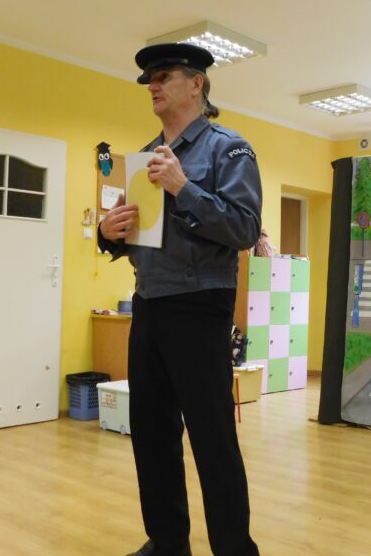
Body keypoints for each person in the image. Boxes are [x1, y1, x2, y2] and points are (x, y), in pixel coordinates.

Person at [98, 42, 262, 556]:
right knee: (151, 433)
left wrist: (182, 187)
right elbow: (141, 235)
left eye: (164, 76)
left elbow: (244, 229)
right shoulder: (145, 156)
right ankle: (168, 543)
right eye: (150, 79)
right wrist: (108, 232)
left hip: (201, 306)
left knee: (212, 438)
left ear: (197, 83)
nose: (153, 85)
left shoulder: (228, 149)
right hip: (149, 303)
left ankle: (234, 549)